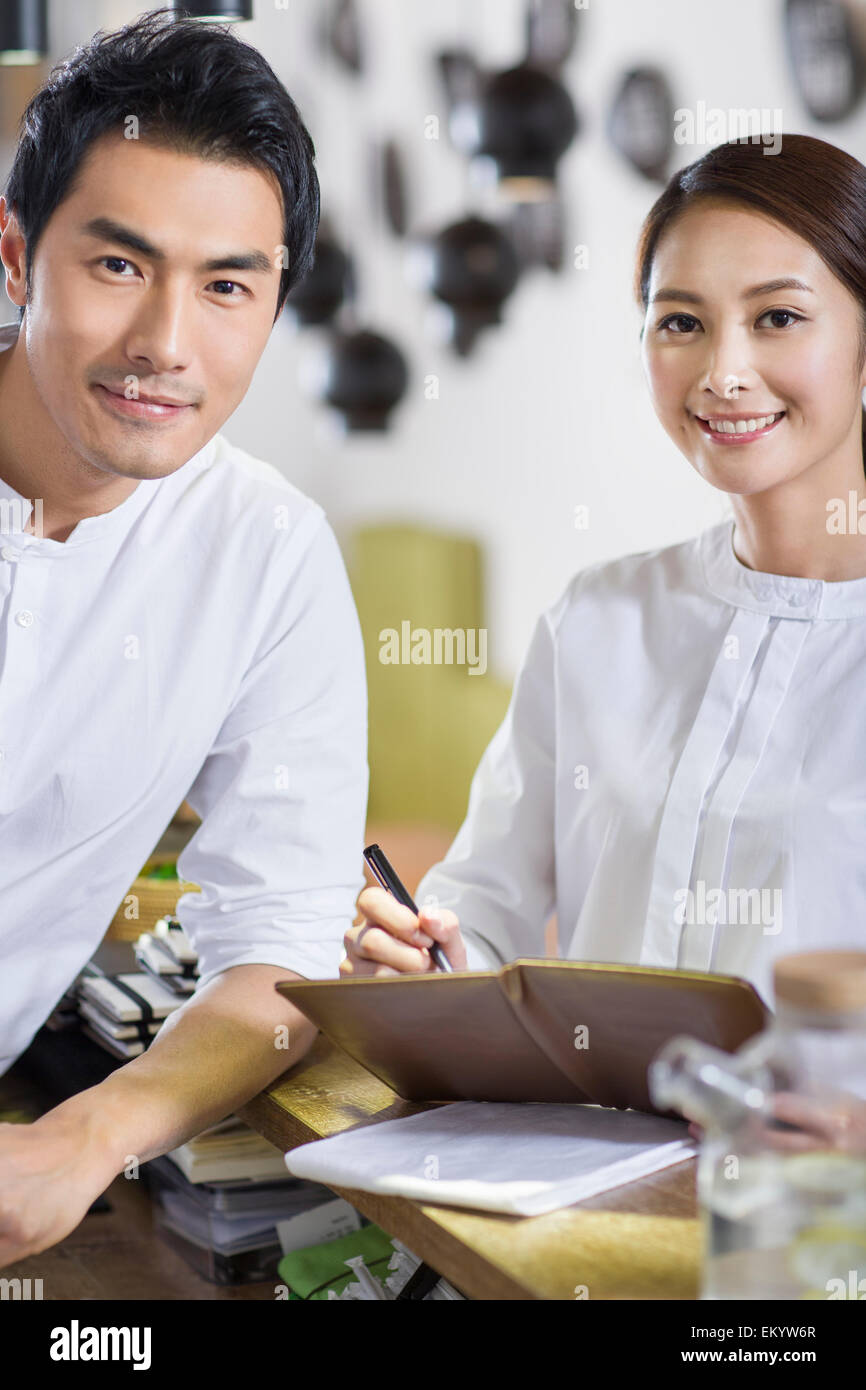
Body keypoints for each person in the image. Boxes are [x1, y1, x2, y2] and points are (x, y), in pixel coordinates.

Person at [0, 12, 367, 1265]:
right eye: (117, 266)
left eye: (226, 285)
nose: (166, 343)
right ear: (15, 255)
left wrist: (95, 1131)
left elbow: (282, 946)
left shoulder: (267, 555)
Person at [347, 133, 866, 1014]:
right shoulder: (597, 619)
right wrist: (419, 955)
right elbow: (486, 907)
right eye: (681, 322)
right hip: (584, 1145)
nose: (724, 373)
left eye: (777, 317)